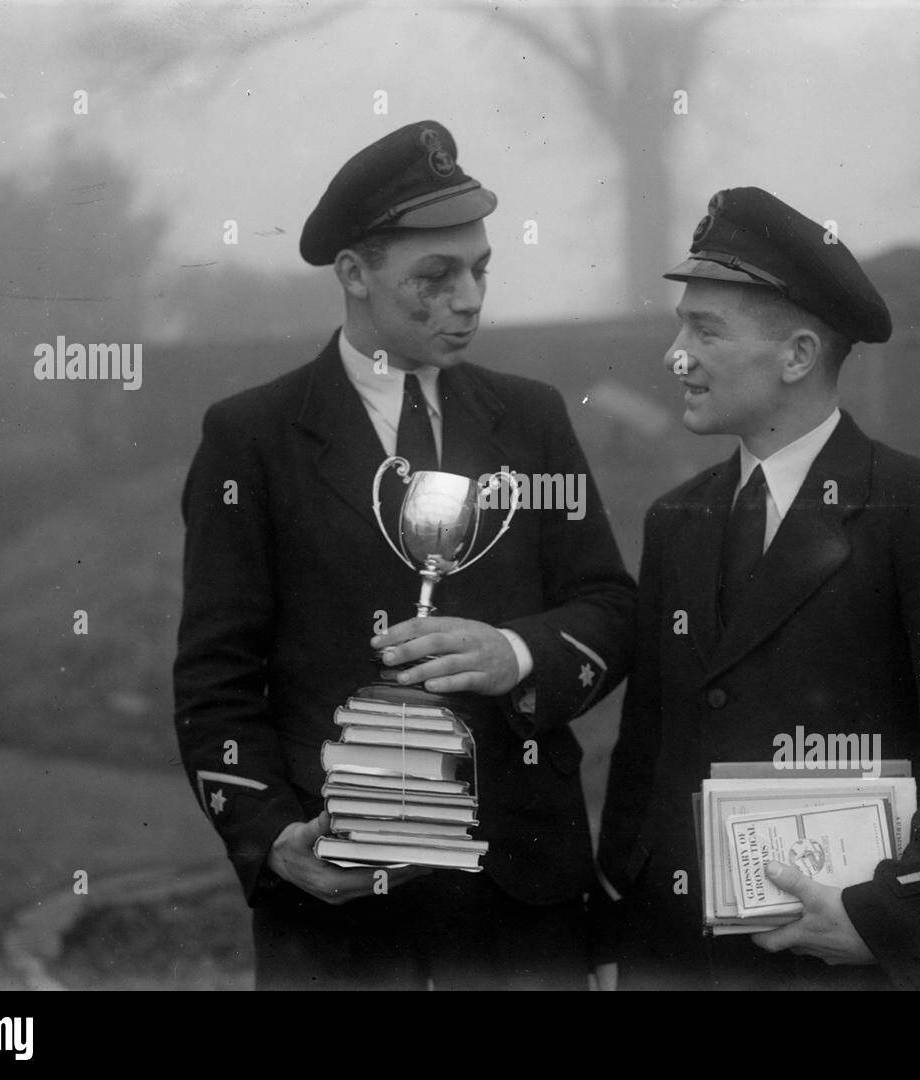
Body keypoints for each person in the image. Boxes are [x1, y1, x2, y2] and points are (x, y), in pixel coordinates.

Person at [173, 121, 635, 989]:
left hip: (519, 899)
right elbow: (215, 679)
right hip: (336, 909)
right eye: (436, 276)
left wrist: (518, 652)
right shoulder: (253, 439)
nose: (469, 299)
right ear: (353, 274)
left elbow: (609, 606)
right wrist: (274, 840)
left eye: (481, 270)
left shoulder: (531, 419)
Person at [595, 187, 920, 990]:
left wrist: (894, 918)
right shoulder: (679, 517)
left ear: (799, 355)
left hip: (832, 964)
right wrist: (613, 932)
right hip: (666, 958)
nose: (676, 354)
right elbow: (650, 752)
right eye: (680, 324)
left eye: (705, 329)